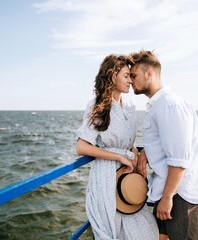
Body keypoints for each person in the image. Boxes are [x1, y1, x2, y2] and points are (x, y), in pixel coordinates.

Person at [128, 50, 198, 240]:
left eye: (134, 75)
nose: (130, 80)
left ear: (149, 74)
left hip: (179, 194)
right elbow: (166, 142)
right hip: (167, 189)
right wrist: (146, 153)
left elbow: (179, 159)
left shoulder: (170, 106)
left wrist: (167, 198)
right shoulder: (159, 105)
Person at [75, 54, 159, 240]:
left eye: (131, 76)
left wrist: (135, 153)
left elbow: (129, 142)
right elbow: (81, 147)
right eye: (126, 76)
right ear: (113, 76)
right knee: (112, 230)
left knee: (146, 230)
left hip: (129, 173)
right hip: (106, 175)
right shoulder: (96, 106)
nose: (131, 80)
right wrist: (119, 157)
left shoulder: (129, 104)